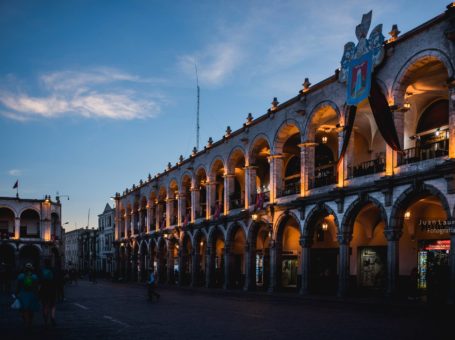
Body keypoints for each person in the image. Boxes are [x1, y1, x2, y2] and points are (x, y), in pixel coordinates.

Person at [16, 263, 40, 328]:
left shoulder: (20, 276)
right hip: (32, 295)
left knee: (25, 309)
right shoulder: (34, 277)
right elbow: (36, 287)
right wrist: (38, 294)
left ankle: (26, 321)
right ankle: (30, 321)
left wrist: (16, 293)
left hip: (23, 295)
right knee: (31, 309)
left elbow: (18, 286)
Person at [39, 259, 58, 326]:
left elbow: (39, 281)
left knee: (45, 306)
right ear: (51, 263)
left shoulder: (42, 270)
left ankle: (46, 321)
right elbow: (56, 280)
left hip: (44, 290)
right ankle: (52, 317)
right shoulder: (54, 270)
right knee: (53, 305)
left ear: (44, 263)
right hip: (52, 289)